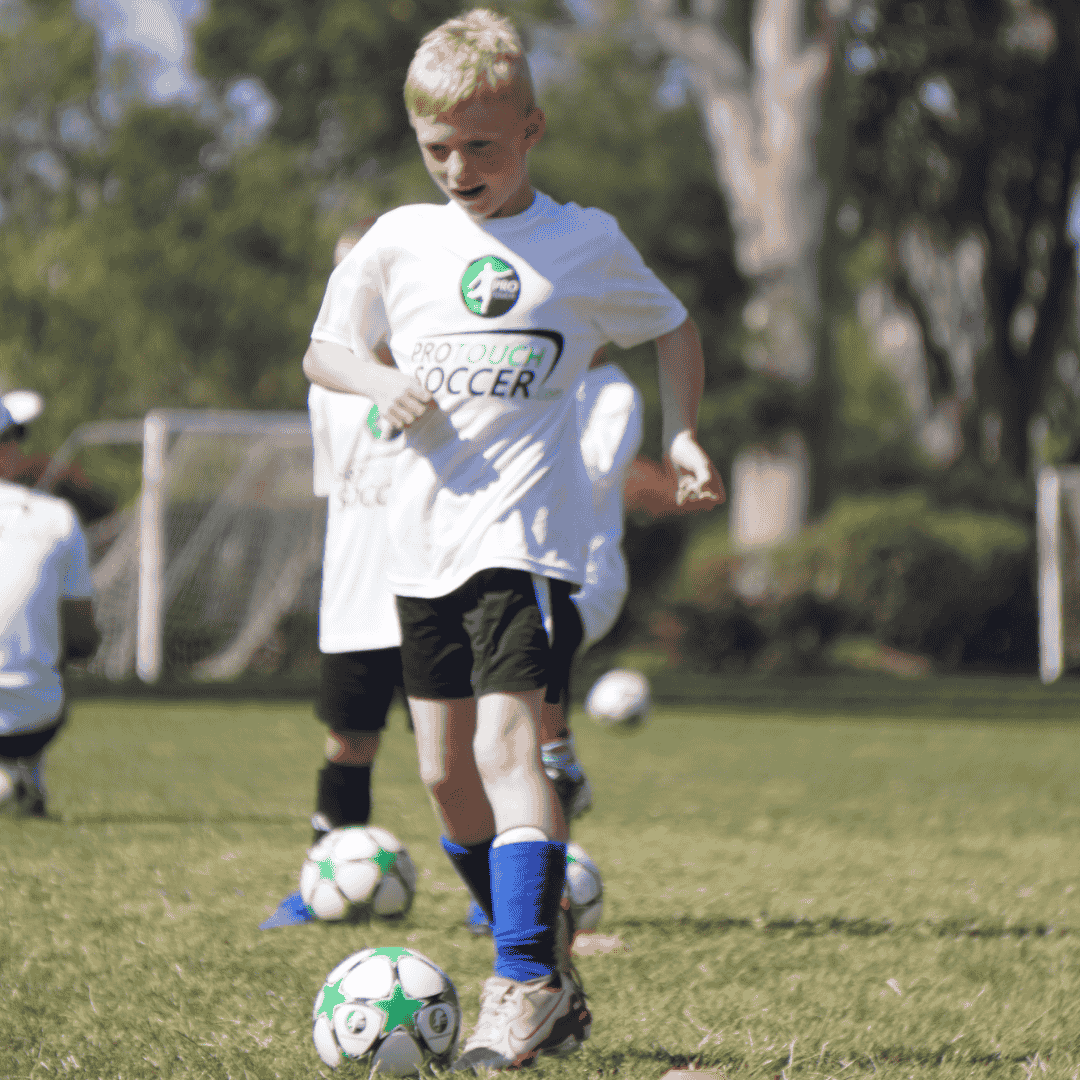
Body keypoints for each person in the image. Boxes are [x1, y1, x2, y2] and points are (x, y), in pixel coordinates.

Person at [302, 9, 722, 1072]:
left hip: (519, 543)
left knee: (507, 749)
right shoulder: (398, 240)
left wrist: (683, 432)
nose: (457, 167)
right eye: (437, 147)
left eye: (480, 145)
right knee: (446, 778)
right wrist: (379, 375)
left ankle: (523, 978)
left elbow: (671, 322)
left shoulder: (583, 243)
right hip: (418, 547)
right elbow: (323, 353)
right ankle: (549, 961)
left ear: (531, 130)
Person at [0, 402, 100, 817]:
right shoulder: (58, 516)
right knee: (56, 649)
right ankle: (21, 773)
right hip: (35, 718)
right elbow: (82, 639)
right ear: (10, 450)